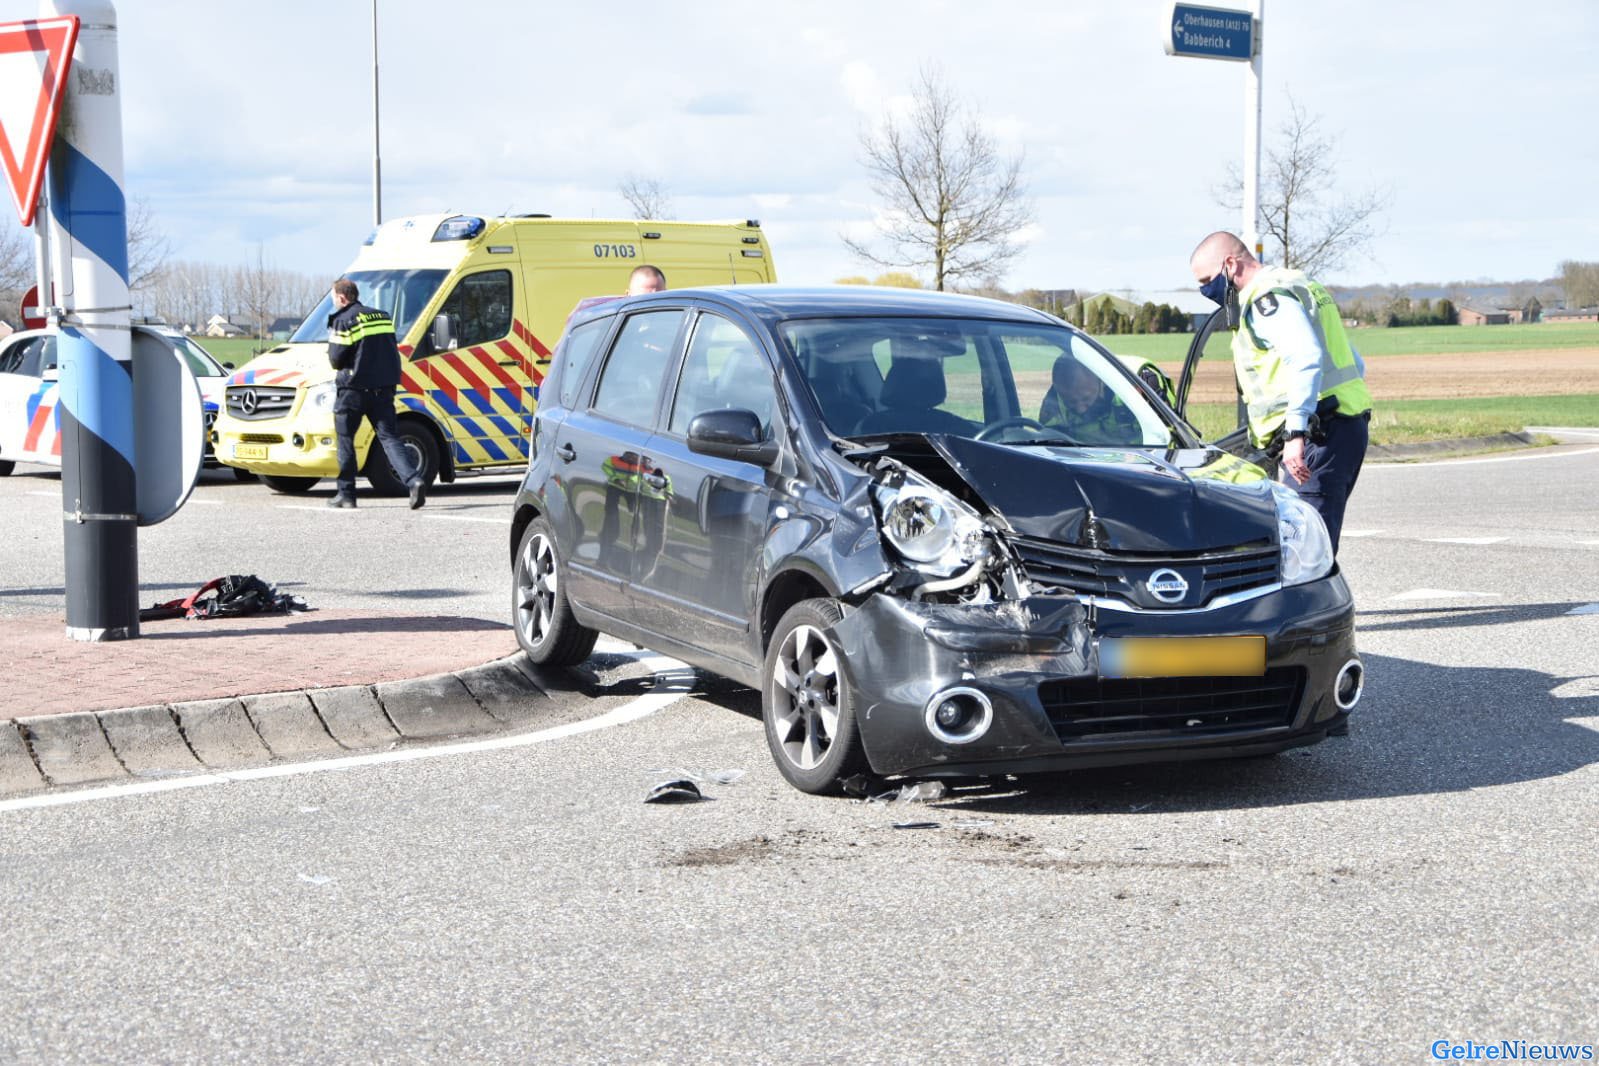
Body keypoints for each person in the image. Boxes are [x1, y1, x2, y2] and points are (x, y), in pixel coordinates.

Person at [1189, 232, 1373, 552]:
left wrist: (1295, 433)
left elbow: (1305, 356)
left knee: (1304, 548)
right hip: (1341, 425)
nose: (1206, 290)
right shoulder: (1299, 284)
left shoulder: (1265, 298)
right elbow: (1353, 363)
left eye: (1207, 280)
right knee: (1308, 537)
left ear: (1230, 264)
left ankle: (1314, 603)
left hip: (1318, 433)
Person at [325, 278, 426, 510]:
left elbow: (335, 359)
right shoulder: (382, 316)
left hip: (353, 390)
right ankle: (414, 480)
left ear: (341, 298)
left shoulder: (343, 320)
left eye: (334, 298)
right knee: (389, 438)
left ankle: (346, 494)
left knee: (346, 440)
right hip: (383, 388)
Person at [1038, 355, 1139, 444]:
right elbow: (1051, 449)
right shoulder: (1053, 405)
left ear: (1101, 382)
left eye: (1086, 398)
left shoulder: (1133, 390)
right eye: (1071, 402)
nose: (1080, 409)